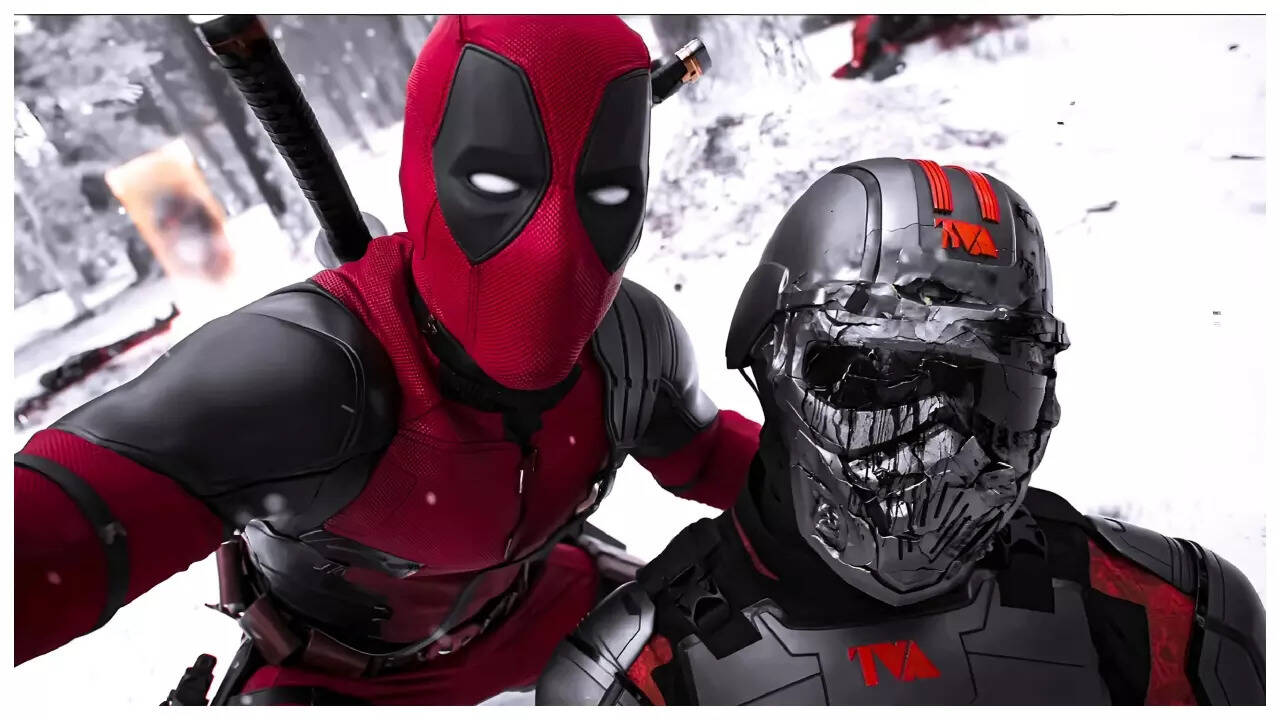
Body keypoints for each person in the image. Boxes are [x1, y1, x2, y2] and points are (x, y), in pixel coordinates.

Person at [14, 15, 760, 705]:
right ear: (423, 172)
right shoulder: (297, 375)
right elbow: (49, 538)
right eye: (498, 185)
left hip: (550, 614)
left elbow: (729, 467)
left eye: (608, 191)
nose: (554, 244)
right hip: (336, 685)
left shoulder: (630, 341)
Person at [536, 157, 1265, 705]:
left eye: (991, 391)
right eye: (875, 379)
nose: (942, 446)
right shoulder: (633, 675)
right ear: (773, 363)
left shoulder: (1172, 611)